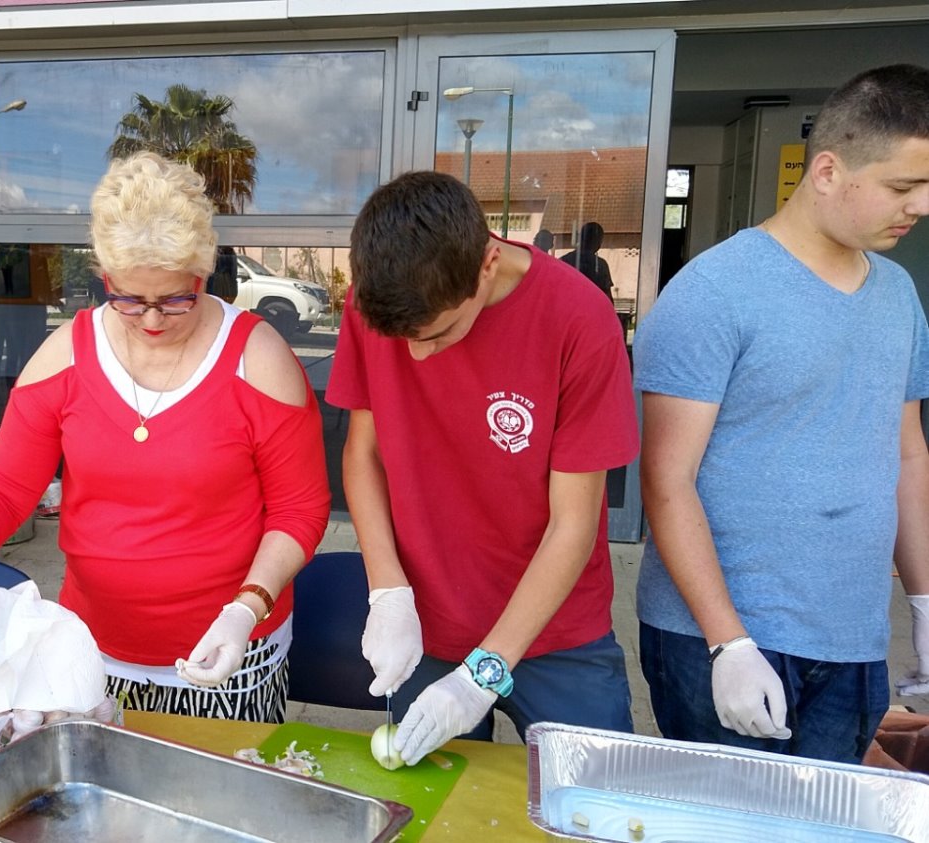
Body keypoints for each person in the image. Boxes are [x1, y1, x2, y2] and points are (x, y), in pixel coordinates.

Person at [0, 152, 330, 722]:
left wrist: (248, 608)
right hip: (87, 650)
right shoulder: (67, 353)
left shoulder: (258, 359)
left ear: (203, 272)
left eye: (175, 299)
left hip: (229, 654)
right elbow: (3, 483)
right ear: (104, 276)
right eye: (127, 299)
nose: (150, 320)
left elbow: (300, 509)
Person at [634, 63, 929, 764]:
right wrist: (727, 639)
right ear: (826, 170)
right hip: (722, 634)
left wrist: (923, 600)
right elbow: (666, 479)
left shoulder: (898, 293)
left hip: (852, 632)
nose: (918, 206)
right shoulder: (713, 292)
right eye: (901, 186)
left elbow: (908, 454)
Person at [326, 170, 638, 765]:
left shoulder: (579, 319)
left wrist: (483, 674)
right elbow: (362, 455)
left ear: (489, 262)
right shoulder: (375, 299)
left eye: (438, 333)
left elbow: (573, 524)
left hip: (556, 632)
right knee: (431, 814)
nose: (417, 355)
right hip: (427, 624)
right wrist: (387, 591)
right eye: (405, 340)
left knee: (597, 804)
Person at [561, 221, 615, 301]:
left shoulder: (565, 261)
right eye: (599, 240)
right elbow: (607, 296)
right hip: (591, 308)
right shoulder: (601, 265)